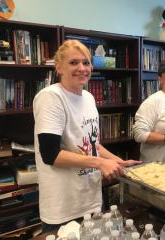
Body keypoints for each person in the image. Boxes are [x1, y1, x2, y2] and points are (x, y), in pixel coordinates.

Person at [33, 39, 139, 233]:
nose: (82, 68)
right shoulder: (51, 97)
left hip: (90, 199)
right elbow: (50, 154)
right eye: (74, 63)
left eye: (86, 62)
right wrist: (100, 163)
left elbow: (92, 144)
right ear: (59, 67)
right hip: (64, 206)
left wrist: (118, 161)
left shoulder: (88, 98)